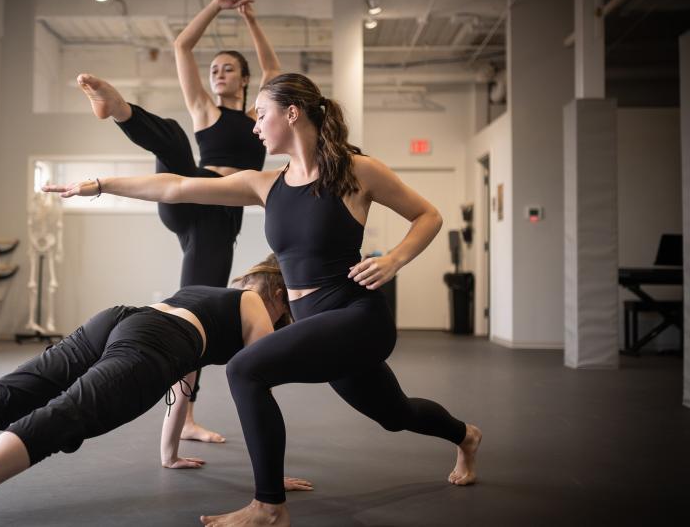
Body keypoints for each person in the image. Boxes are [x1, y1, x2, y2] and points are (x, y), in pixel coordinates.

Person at [45, 73, 482, 527]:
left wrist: (394, 259)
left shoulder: (357, 171)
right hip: (316, 323)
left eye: (261, 115)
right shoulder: (265, 184)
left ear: (291, 114)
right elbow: (175, 187)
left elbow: (428, 215)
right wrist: (99, 185)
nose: (255, 127)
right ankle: (465, 436)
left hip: (357, 316)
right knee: (395, 413)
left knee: (245, 370)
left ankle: (269, 507)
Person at [0, 256, 310, 527]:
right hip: (158, 341)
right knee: (69, 413)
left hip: (119, 320)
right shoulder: (254, 304)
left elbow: (184, 385)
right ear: (278, 296)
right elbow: (256, 387)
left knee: (1, 394)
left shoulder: (210, 296)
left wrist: (168, 453)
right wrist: (270, 478)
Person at [89, 0, 281, 444]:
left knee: (194, 313)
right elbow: (181, 46)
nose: (217, 74)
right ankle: (120, 110)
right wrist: (215, 6)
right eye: (214, 69)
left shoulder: (258, 114)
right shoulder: (205, 110)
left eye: (228, 69)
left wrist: (251, 18)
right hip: (187, 196)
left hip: (217, 221)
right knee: (174, 137)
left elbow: (272, 68)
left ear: (244, 79)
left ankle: (184, 417)